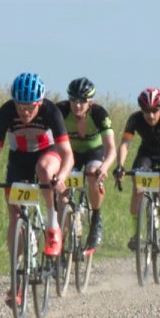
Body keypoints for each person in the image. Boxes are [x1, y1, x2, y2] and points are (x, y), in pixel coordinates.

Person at [0, 73, 73, 305]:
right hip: (19, 159)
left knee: (44, 169)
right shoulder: (5, 113)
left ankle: (52, 224)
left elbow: (67, 154)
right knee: (15, 215)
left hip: (47, 154)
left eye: (30, 107)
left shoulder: (51, 111)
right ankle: (15, 283)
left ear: (39, 102)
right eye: (20, 106)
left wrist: (60, 177)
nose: (24, 112)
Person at [116, 87, 160, 251]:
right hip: (147, 154)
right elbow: (125, 144)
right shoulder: (135, 119)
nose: (150, 115)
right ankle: (136, 234)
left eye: (154, 110)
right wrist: (120, 166)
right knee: (137, 188)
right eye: (146, 111)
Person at [57, 77, 116, 250]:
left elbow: (111, 148)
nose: (77, 105)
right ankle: (61, 244)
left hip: (94, 151)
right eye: (73, 100)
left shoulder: (99, 114)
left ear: (90, 101)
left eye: (82, 101)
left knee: (92, 173)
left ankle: (96, 216)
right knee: (62, 194)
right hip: (70, 153)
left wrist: (104, 168)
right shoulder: (60, 111)